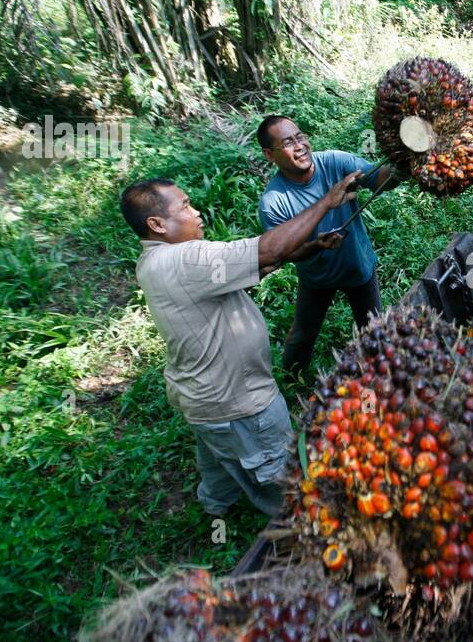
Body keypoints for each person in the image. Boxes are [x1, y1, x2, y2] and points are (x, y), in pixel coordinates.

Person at [120, 171, 362, 516]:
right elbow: (269, 249)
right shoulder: (186, 259)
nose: (197, 212)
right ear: (157, 224)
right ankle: (300, 520)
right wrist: (327, 201)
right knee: (289, 479)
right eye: (186, 207)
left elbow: (266, 262)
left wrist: (309, 247)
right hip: (240, 406)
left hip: (203, 401)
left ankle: (216, 505)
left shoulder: (154, 261)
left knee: (219, 455)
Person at [256, 115, 400, 384]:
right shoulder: (274, 202)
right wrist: (314, 246)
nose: (300, 146)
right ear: (269, 155)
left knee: (374, 329)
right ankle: (290, 382)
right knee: (302, 335)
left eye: (300, 137)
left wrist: (399, 168)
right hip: (316, 277)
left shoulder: (335, 162)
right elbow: (284, 254)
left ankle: (383, 379)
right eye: (288, 142)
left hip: (358, 267)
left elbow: (377, 178)